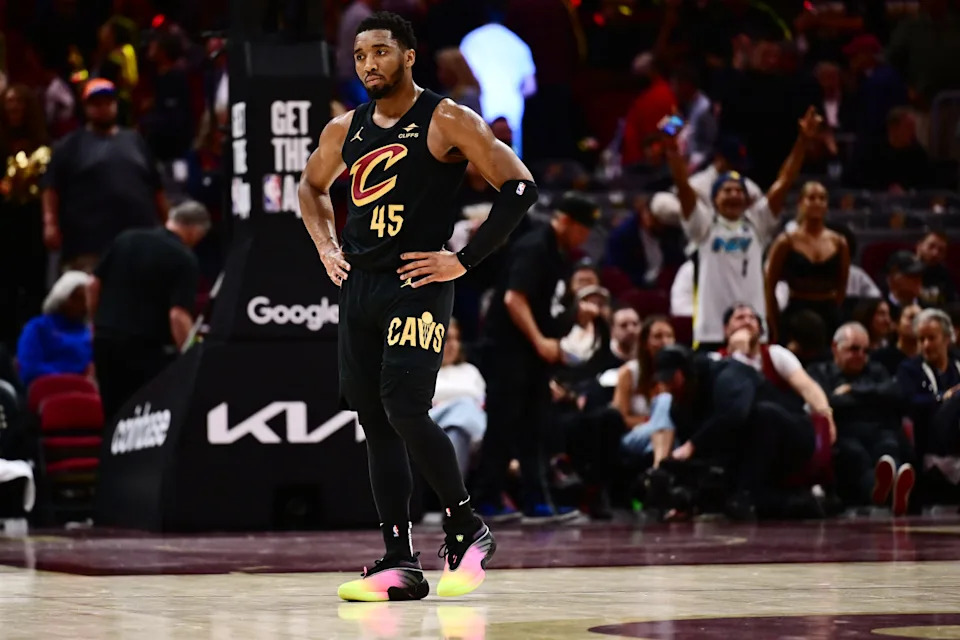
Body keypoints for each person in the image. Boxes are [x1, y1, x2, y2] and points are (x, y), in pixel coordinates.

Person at [298, 12, 538, 602]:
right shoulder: (343, 130)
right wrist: (327, 245)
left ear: (408, 56)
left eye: (380, 52)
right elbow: (309, 188)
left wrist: (463, 259)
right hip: (361, 285)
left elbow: (520, 186)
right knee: (375, 422)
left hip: (419, 281)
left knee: (404, 407)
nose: (368, 64)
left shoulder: (446, 118)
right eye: (359, 56)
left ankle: (466, 525)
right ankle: (401, 562)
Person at [474, 194, 597, 523]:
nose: (585, 237)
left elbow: (547, 304)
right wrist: (541, 341)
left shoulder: (561, 255)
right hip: (506, 350)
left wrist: (574, 313)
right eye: (583, 229)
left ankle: (536, 501)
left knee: (534, 426)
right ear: (566, 221)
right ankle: (485, 500)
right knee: (503, 424)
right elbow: (515, 299)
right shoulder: (535, 246)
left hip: (528, 355)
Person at [664, 107, 821, 350]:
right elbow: (683, 187)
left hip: (754, 329)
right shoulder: (704, 225)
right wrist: (673, 150)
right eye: (727, 191)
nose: (734, 195)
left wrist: (802, 142)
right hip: (712, 330)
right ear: (714, 199)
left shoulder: (757, 223)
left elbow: (785, 181)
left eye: (739, 191)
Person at [88, 201, 208, 423]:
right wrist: (192, 355)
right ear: (194, 230)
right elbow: (178, 316)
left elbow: (93, 285)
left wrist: (97, 322)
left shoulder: (126, 238)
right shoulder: (184, 258)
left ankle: (110, 457)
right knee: (143, 418)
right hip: (145, 350)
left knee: (112, 416)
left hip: (106, 340)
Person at [41, 79, 168, 272]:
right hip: (88, 244)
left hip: (139, 238)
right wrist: (50, 223)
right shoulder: (69, 145)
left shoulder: (135, 140)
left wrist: (168, 223)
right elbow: (51, 187)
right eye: (96, 104)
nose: (103, 108)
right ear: (85, 108)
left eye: (108, 102)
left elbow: (156, 186)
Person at [808, 322, 915, 515]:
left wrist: (853, 390)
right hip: (844, 432)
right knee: (857, 455)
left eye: (865, 351)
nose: (860, 356)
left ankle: (897, 488)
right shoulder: (819, 371)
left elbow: (895, 392)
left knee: (889, 448)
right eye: (854, 349)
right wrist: (871, 397)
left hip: (879, 429)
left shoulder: (876, 370)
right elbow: (828, 401)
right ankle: (886, 496)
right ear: (835, 348)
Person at [765, 182, 850, 344]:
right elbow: (769, 286)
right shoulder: (785, 241)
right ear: (800, 203)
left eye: (822, 198)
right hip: (796, 311)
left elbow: (842, 285)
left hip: (829, 312)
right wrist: (774, 325)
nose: (817, 202)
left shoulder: (839, 242)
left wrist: (834, 309)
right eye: (811, 198)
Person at [0, 84, 49, 352]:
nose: (13, 107)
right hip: (4, 223)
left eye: (19, 101)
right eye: (9, 102)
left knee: (34, 284)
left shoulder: (42, 143)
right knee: (5, 286)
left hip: (32, 221)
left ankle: (33, 341)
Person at [615, 316, 677, 467]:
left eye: (669, 336)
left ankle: (656, 474)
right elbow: (619, 418)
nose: (664, 341)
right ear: (645, 343)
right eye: (658, 336)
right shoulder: (629, 372)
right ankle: (660, 466)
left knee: (667, 439)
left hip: (665, 436)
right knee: (664, 401)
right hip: (635, 435)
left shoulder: (678, 374)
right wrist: (653, 420)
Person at [16, 271, 93, 388]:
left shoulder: (89, 332)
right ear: (62, 297)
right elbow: (30, 369)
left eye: (86, 299)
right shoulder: (37, 327)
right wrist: (71, 376)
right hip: (46, 390)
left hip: (84, 391)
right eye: (77, 298)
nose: (83, 305)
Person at [431, 318, 486, 477]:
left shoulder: (470, 371)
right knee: (463, 409)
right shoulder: (418, 371)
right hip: (430, 430)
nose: (453, 344)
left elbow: (482, 403)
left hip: (466, 436)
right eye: (447, 339)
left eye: (457, 338)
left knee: (458, 432)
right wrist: (462, 401)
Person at [873, 303, 921, 376]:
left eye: (921, 319)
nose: (917, 323)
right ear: (896, 325)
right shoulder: (881, 358)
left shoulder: (930, 358)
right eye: (911, 317)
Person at [916, 231, 957, 308]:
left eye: (941, 250)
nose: (935, 253)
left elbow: (952, 303)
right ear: (919, 246)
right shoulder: (904, 270)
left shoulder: (945, 275)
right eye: (931, 246)